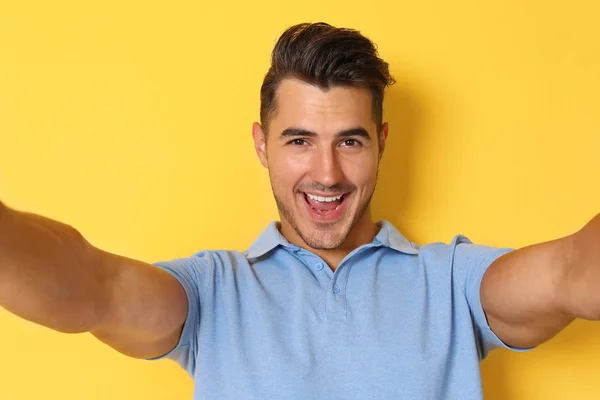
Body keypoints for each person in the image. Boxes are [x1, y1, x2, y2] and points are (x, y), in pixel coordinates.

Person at [0, 22, 599, 400]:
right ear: (261, 144)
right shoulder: (213, 292)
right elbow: (87, 285)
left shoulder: (451, 282)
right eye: (298, 140)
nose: (327, 174)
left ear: (381, 143)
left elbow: (575, 272)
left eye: (351, 141)